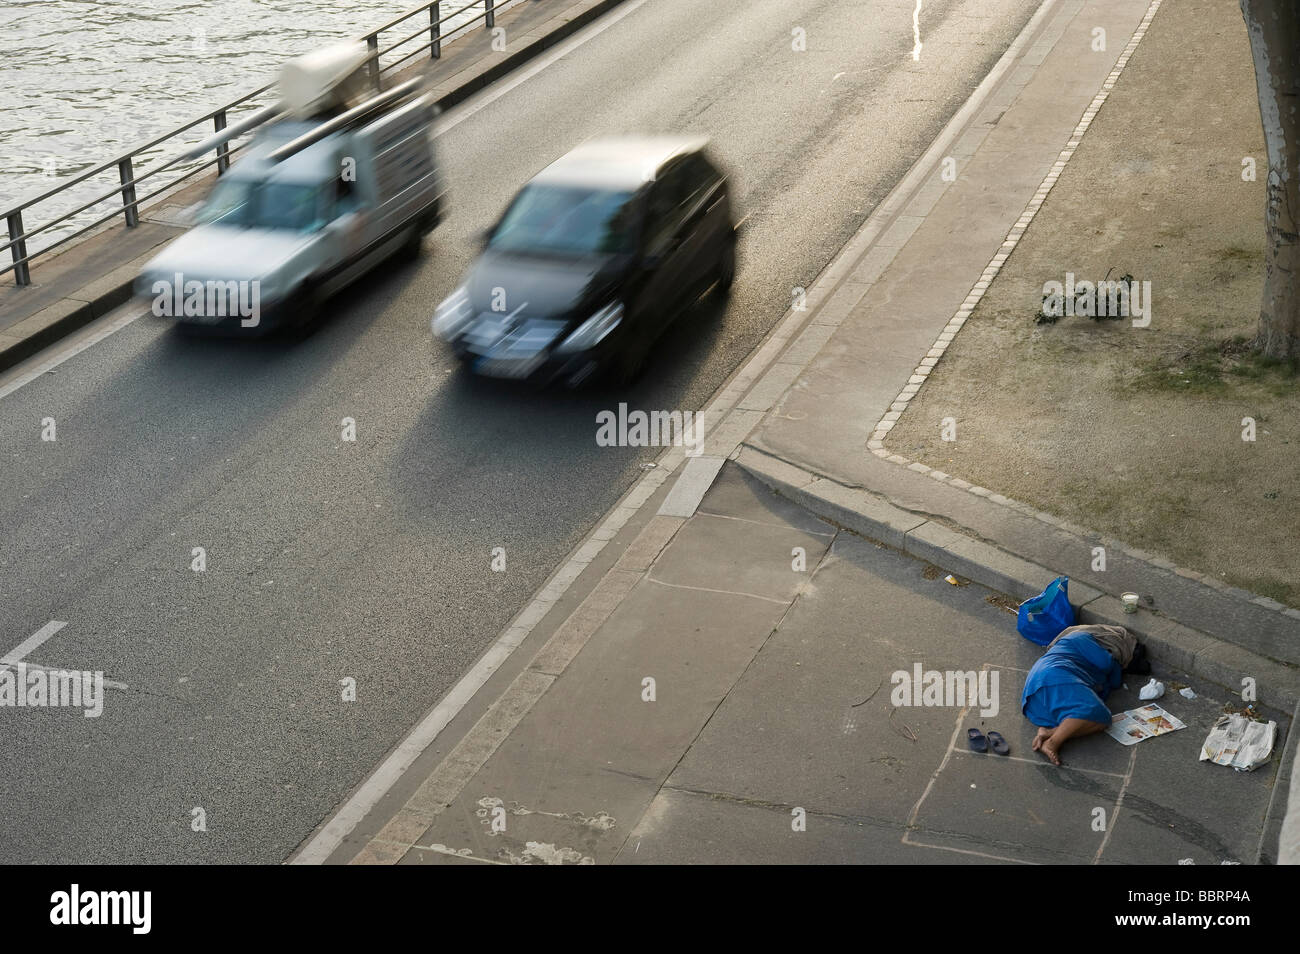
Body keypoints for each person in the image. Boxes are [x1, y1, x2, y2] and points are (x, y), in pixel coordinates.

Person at [1021, 624, 1137, 766]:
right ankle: (1053, 742)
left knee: (1102, 720)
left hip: (1040, 689)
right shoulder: (1080, 637)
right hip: (1055, 676)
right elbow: (1105, 664)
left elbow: (1112, 678)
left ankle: (1051, 732)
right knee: (1092, 709)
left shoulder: (1070, 641)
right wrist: (1113, 662)